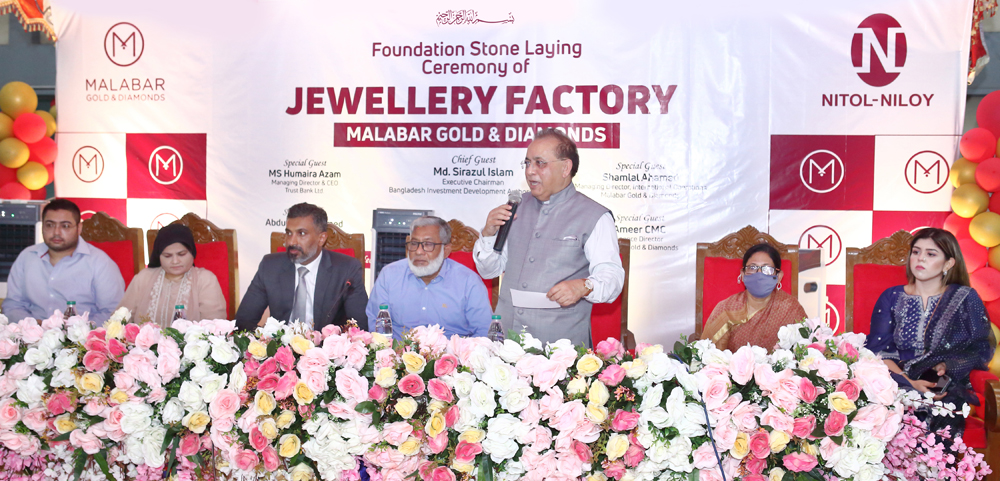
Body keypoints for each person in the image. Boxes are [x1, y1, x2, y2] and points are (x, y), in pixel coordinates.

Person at [474, 128, 624, 346]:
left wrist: (584, 286)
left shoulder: (595, 216)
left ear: (565, 167)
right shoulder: (514, 207)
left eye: (539, 163)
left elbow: (612, 276)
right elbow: (489, 271)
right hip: (506, 343)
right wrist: (488, 234)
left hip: (560, 348)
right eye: (527, 163)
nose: (530, 171)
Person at [866, 228, 993, 437]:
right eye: (916, 252)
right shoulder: (892, 296)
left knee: (943, 403)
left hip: (944, 383)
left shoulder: (965, 298)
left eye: (931, 254)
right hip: (895, 382)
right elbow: (878, 353)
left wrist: (948, 365)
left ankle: (936, 466)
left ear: (949, 263)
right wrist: (909, 383)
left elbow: (980, 348)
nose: (920, 258)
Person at [236, 202, 368, 331]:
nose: (291, 241)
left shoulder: (346, 269)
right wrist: (266, 342)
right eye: (289, 233)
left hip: (326, 350)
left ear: (321, 238)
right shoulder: (270, 266)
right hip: (279, 348)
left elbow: (360, 328)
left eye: (302, 234)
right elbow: (244, 321)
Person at [366, 216, 492, 340]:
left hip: (451, 356)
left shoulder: (469, 281)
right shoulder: (389, 275)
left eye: (428, 244)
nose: (419, 251)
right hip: (398, 354)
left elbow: (483, 332)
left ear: (446, 250)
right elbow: (376, 326)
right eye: (414, 244)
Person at [2, 199, 124, 324]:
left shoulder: (99, 262)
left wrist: (75, 331)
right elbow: (13, 305)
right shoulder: (27, 257)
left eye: (65, 226)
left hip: (80, 340)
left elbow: (113, 312)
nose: (56, 232)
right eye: (49, 225)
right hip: (31, 338)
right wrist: (33, 326)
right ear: (42, 226)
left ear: (79, 228)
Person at [700, 243, 807, 351]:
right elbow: (707, 356)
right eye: (752, 267)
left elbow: (805, 351)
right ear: (742, 275)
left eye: (767, 269)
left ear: (778, 277)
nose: (759, 274)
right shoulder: (726, 309)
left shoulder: (790, 308)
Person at [117, 224, 226, 328]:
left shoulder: (205, 280)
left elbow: (214, 327)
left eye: (181, 254)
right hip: (142, 347)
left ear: (192, 253)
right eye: (167, 256)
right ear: (159, 256)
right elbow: (120, 321)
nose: (175, 261)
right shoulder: (144, 278)